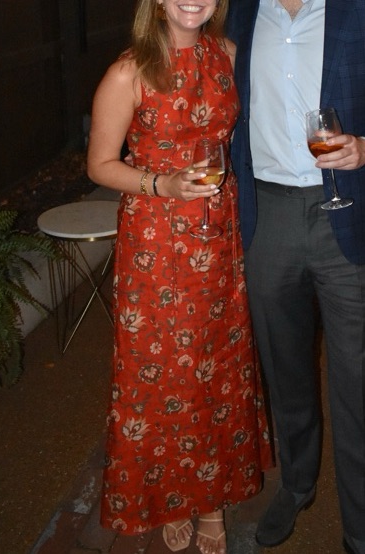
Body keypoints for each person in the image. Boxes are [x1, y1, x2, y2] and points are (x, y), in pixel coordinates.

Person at [87, 1, 273, 552]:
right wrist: (161, 184)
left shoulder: (228, 54)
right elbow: (99, 164)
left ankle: (211, 497)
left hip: (221, 235)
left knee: (217, 369)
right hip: (156, 244)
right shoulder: (128, 71)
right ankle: (173, 496)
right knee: (165, 375)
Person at [226, 1, 365, 553]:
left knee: (356, 381)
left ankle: (360, 526)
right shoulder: (238, 14)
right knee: (284, 370)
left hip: (346, 214)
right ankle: (297, 483)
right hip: (269, 214)